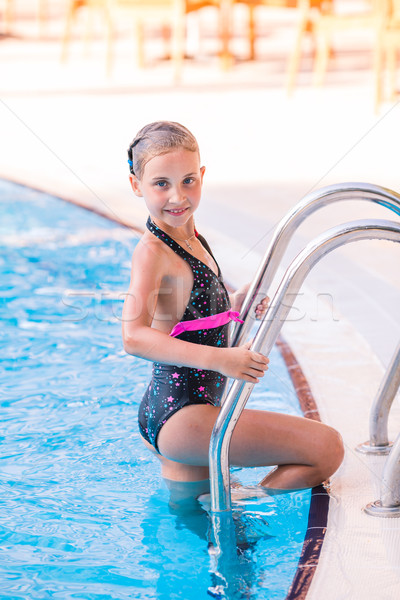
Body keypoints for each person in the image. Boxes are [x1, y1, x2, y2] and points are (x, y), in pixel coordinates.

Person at [122, 121, 344, 500]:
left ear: (202, 176)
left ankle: (231, 505)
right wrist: (221, 359)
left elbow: (181, 315)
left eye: (188, 180)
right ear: (136, 185)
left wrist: (233, 306)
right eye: (161, 184)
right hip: (183, 415)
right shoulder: (152, 252)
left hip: (178, 412)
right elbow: (134, 336)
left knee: (199, 528)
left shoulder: (188, 237)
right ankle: (249, 502)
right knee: (326, 448)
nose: (178, 196)